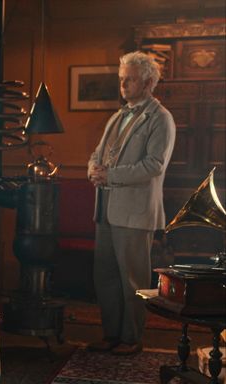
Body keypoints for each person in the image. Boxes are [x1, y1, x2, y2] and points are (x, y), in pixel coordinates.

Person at [87, 51, 176, 355]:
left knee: (132, 281)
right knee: (106, 276)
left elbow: (154, 165)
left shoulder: (161, 118)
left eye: (130, 79)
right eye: (121, 78)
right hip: (105, 209)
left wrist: (109, 175)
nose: (123, 84)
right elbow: (96, 155)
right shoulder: (117, 115)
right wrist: (93, 170)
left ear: (149, 82)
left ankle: (132, 338)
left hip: (135, 212)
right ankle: (111, 334)